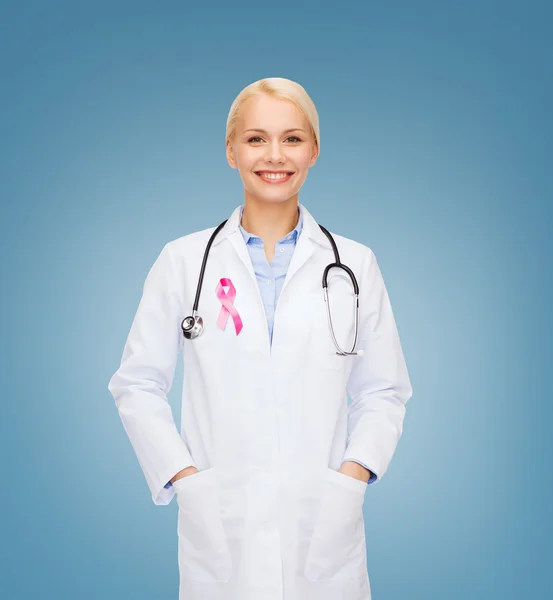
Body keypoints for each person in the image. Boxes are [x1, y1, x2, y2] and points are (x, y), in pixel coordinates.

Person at [108, 77, 413, 600]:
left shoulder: (354, 265)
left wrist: (350, 480)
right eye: (256, 139)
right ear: (230, 151)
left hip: (324, 528)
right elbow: (136, 384)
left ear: (315, 150)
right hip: (220, 527)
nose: (275, 155)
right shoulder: (183, 261)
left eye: (292, 138)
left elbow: (384, 391)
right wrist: (185, 478)